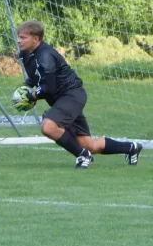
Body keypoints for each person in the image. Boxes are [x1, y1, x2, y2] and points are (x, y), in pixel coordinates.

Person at [14, 20, 142, 168]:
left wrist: (30, 97)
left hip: (71, 96)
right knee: (90, 145)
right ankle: (131, 148)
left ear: (36, 39)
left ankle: (82, 156)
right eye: (18, 36)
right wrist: (25, 88)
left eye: (23, 37)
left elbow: (48, 88)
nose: (18, 40)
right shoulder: (25, 54)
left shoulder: (45, 55)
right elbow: (36, 77)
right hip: (64, 100)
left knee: (48, 126)